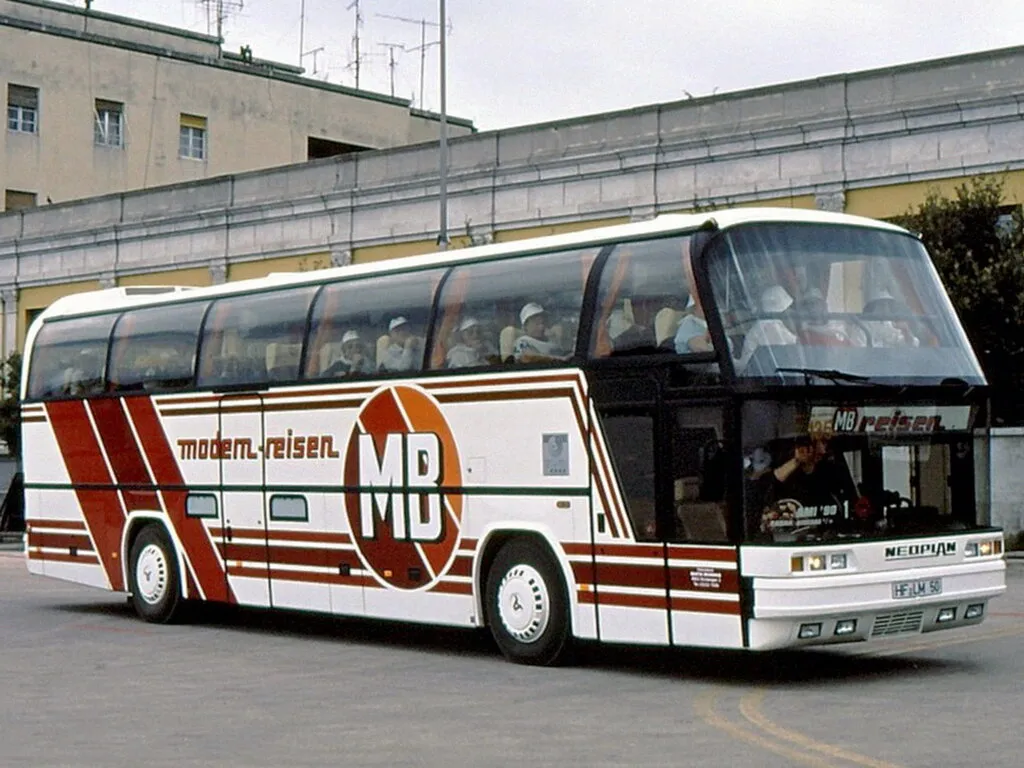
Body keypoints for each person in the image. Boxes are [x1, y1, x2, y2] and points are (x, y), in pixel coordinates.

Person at [753, 434, 858, 537]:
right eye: (816, 444)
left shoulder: (832, 471)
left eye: (825, 443)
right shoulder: (783, 472)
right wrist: (797, 461)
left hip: (825, 533)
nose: (823, 450)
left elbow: (850, 502)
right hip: (789, 535)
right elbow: (764, 489)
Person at [734, 285, 798, 371]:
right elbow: (794, 346)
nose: (790, 312)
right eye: (788, 308)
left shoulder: (767, 325)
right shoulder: (769, 327)